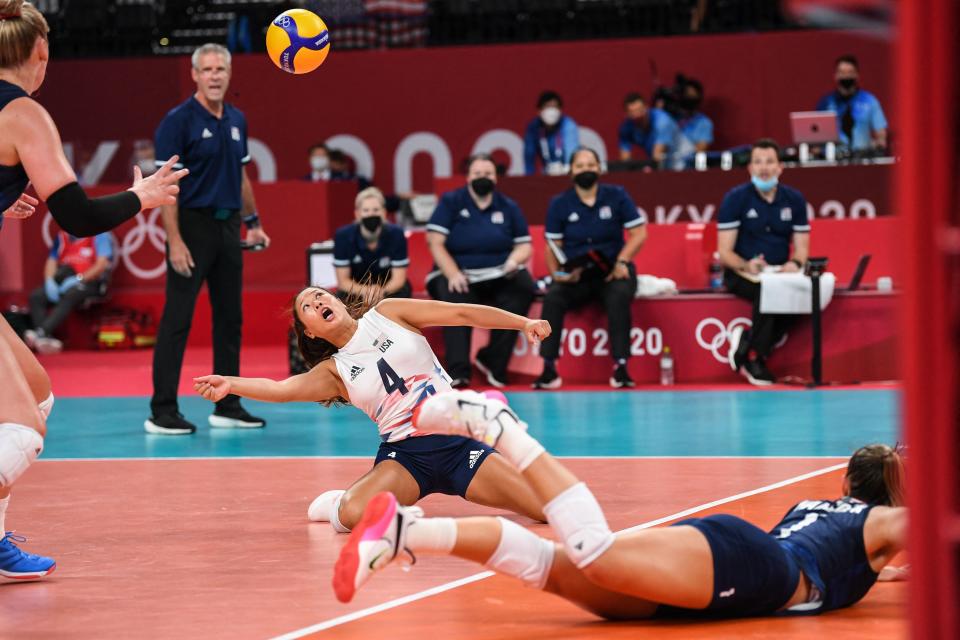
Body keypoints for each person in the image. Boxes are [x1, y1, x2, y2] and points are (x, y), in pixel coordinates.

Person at [335, 389, 908, 622]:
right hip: (756, 569)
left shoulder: (828, 514)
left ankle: (407, 535)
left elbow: (881, 564)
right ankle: (497, 426)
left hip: (739, 563)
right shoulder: (879, 523)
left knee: (550, 566)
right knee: (594, 552)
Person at [0, 0, 185, 581]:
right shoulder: (23, 112)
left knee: (39, 393)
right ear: (40, 55)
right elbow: (76, 215)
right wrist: (144, 197)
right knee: (22, 433)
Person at [192, 289, 549, 532]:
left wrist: (523, 322)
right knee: (351, 514)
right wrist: (231, 384)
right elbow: (282, 390)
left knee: (545, 510)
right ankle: (340, 501)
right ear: (310, 333)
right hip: (407, 458)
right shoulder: (335, 371)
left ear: (338, 301)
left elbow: (460, 312)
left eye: (320, 295)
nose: (317, 303)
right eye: (307, 308)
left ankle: (487, 431)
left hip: (459, 444)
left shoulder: (389, 313)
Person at [146, 43, 271, 436]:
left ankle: (228, 404)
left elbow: (242, 175)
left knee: (230, 319)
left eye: (221, 69)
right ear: (195, 74)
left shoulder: (237, 119)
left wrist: (253, 221)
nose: (215, 75)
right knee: (177, 320)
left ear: (229, 75)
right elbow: (166, 185)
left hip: (228, 228)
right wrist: (175, 241)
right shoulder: (177, 121)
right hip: (192, 226)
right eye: (208, 69)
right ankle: (162, 411)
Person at [534, 147, 647, 390]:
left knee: (619, 296)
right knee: (553, 297)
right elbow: (552, 246)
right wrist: (559, 275)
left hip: (612, 272)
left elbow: (639, 233)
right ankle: (548, 367)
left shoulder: (617, 195)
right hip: (578, 276)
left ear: (599, 168)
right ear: (571, 171)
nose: (586, 170)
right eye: (580, 166)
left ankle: (621, 366)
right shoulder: (559, 204)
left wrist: (622, 262)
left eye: (590, 165)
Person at [425, 154, 535, 388]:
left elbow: (524, 244)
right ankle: (459, 372)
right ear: (468, 177)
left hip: (498, 273)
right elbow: (435, 241)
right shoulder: (451, 201)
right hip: (459, 273)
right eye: (477, 174)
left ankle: (494, 361)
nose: (482, 178)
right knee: (454, 297)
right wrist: (452, 272)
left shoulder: (508, 206)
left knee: (524, 286)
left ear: (495, 178)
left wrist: (514, 261)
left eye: (487, 174)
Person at [718, 139, 810, 386]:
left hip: (779, 273)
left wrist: (795, 264)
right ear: (749, 168)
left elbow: (802, 249)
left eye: (769, 162)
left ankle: (747, 342)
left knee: (800, 297)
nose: (763, 167)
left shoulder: (795, 200)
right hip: (742, 273)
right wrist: (746, 264)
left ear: (780, 167)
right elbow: (724, 252)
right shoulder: (735, 199)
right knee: (767, 292)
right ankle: (755, 358)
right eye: (757, 162)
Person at [25, 229, 114, 354]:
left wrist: (80, 279)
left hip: (89, 283)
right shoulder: (63, 236)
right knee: (37, 296)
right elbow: (51, 261)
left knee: (71, 294)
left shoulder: (100, 235)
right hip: (63, 280)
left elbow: (101, 264)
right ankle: (45, 338)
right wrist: (50, 281)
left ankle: (41, 332)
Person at [333, 187, 411, 299]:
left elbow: (399, 279)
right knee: (342, 296)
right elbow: (343, 281)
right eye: (366, 210)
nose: (371, 214)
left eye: (376, 210)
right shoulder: (343, 236)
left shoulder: (397, 234)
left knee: (403, 291)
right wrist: (366, 292)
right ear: (357, 214)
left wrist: (380, 293)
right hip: (357, 289)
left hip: (388, 289)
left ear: (384, 213)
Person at [815, 54, 888, 153]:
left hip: (862, 159)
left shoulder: (869, 101)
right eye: (842, 72)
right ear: (836, 76)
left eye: (850, 72)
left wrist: (877, 144)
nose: (846, 76)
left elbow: (881, 135)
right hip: (833, 161)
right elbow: (815, 137)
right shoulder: (826, 103)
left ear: (857, 75)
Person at [523, 90, 580, 176]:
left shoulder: (568, 125)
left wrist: (567, 170)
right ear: (539, 111)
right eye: (547, 107)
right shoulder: (533, 127)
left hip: (566, 173)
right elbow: (529, 158)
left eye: (554, 107)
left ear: (560, 110)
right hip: (546, 174)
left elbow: (571, 154)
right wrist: (529, 180)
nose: (551, 111)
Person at [617, 92, 678, 166]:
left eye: (639, 110)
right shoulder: (626, 128)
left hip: (681, 158)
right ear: (627, 114)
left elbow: (657, 156)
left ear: (646, 108)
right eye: (632, 112)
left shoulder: (662, 121)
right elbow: (625, 160)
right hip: (660, 162)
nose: (636, 115)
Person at [671, 79, 714, 167]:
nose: (689, 98)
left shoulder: (704, 122)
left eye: (692, 96)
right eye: (687, 94)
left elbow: (700, 151)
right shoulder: (670, 119)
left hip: (688, 167)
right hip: (668, 165)